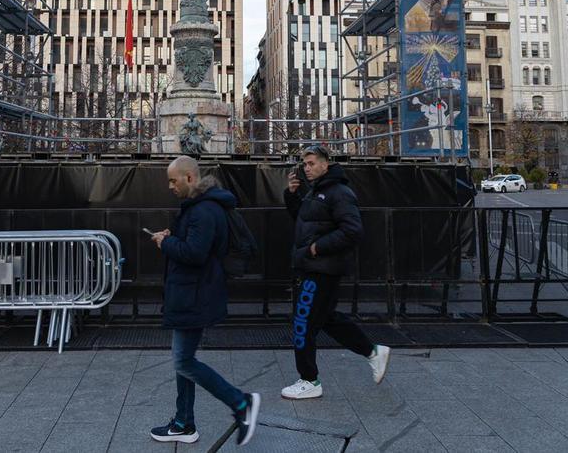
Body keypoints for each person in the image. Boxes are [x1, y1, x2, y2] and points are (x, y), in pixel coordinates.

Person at [147, 156, 259, 446]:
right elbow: (197, 244)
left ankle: (241, 402)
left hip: (193, 294)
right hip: (189, 292)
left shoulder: (204, 210)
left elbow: (195, 254)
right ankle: (184, 423)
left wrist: (165, 243)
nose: (170, 186)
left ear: (190, 178)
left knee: (183, 361)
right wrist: (173, 235)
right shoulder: (199, 208)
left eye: (173, 180)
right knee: (183, 360)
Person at [281, 144, 390, 400]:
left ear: (326, 164)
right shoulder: (315, 192)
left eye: (312, 163)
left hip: (321, 269)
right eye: (304, 164)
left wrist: (318, 248)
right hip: (313, 266)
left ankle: (309, 379)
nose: (307, 169)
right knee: (326, 318)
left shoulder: (339, 192)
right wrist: (291, 194)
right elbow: (304, 221)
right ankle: (374, 352)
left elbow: (353, 230)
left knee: (303, 324)